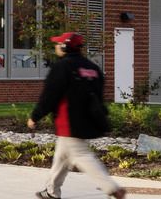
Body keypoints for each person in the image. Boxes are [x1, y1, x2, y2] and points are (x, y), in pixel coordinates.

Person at [29, 31, 125, 199]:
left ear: (65, 46)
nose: (56, 46)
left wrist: (35, 116)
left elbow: (50, 95)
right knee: (62, 156)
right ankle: (51, 191)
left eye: (58, 43)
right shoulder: (92, 68)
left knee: (80, 155)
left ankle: (111, 188)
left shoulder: (62, 67)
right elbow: (99, 95)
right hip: (87, 120)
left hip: (68, 121)